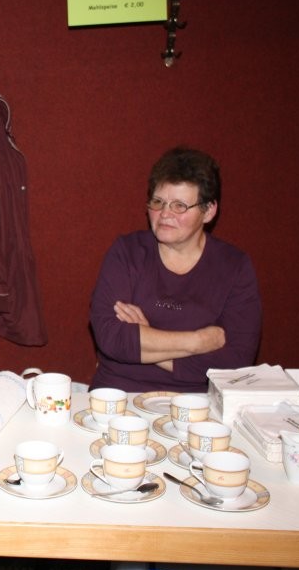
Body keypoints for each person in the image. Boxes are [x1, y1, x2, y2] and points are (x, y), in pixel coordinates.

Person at [88, 147, 262, 392]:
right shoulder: (127, 252)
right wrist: (198, 341)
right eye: (158, 202)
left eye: (179, 205)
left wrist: (146, 337)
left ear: (208, 211)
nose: (164, 214)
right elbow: (112, 339)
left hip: (197, 400)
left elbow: (235, 361)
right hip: (118, 393)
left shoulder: (234, 266)